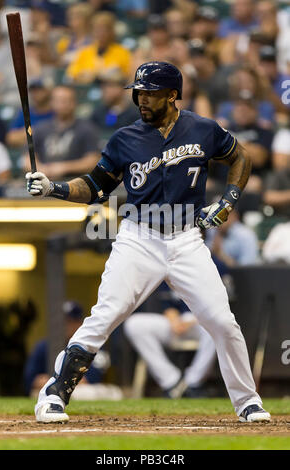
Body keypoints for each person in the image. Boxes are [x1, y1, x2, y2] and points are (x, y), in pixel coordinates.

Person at [26, 61, 270, 424]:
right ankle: (54, 394)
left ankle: (247, 401)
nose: (141, 99)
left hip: (187, 239)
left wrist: (228, 201)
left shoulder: (202, 129)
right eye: (138, 92)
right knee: (105, 317)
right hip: (139, 239)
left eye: (150, 93)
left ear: (172, 95)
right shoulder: (125, 138)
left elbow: (240, 156)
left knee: (222, 322)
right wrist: (53, 188)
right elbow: (95, 187)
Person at [124, 283, 216, 398]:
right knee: (135, 324)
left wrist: (192, 320)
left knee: (217, 327)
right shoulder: (170, 265)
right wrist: (174, 320)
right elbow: (168, 303)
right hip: (177, 322)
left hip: (202, 322)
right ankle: (172, 382)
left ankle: (193, 383)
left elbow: (221, 306)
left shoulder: (217, 266)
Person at [24, 301, 106, 397]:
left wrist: (56, 380)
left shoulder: (91, 345)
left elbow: (93, 378)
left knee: (89, 391)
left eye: (70, 322)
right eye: (62, 322)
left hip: (80, 393)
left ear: (80, 324)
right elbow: (30, 379)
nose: (64, 326)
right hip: (51, 391)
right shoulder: (43, 346)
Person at [23, 85, 100, 179]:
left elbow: (92, 161)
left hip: (76, 182)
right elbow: (27, 160)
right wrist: (42, 169)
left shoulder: (87, 128)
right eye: (57, 100)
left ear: (74, 103)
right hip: (44, 181)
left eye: (66, 101)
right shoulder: (40, 128)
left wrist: (64, 167)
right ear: (51, 103)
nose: (62, 104)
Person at [66, 12, 131, 84]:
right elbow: (72, 74)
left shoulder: (122, 52)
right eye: (97, 29)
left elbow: (127, 76)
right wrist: (86, 75)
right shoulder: (85, 51)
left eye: (104, 30)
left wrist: (111, 75)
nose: (101, 33)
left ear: (111, 31)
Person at [7, 78, 54, 149]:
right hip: (27, 152)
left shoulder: (57, 112)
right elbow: (11, 138)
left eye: (39, 90)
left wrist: (27, 132)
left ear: (49, 91)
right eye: (33, 90)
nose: (35, 93)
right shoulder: (24, 112)